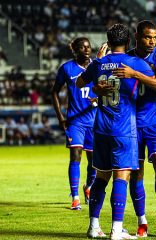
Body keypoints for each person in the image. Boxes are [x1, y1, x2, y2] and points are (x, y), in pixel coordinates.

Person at [77, 23, 154, 240]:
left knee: (101, 177)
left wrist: (95, 85)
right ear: (129, 42)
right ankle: (116, 230)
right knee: (122, 176)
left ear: (108, 43)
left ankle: (93, 227)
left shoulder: (99, 63)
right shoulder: (136, 63)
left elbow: (79, 83)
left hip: (100, 128)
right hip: (124, 128)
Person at [110, 20, 156, 237]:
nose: (152, 41)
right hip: (130, 123)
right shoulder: (127, 57)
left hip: (155, 120)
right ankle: (142, 220)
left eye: (155, 37)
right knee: (136, 173)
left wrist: (136, 74)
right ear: (137, 35)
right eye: (148, 37)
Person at [51, 37, 97, 210]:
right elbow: (54, 92)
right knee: (75, 155)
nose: (86, 50)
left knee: (94, 162)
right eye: (82, 47)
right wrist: (60, 117)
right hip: (75, 121)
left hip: (95, 121)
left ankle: (89, 187)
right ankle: (75, 197)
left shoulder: (97, 66)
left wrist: (99, 98)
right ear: (75, 50)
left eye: (88, 46)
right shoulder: (67, 68)